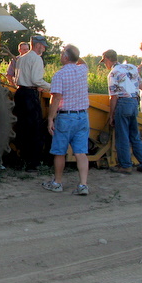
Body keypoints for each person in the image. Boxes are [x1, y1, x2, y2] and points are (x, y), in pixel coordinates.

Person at [41, 44, 90, 195]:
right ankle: (83, 185)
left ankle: (57, 182)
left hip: (66, 117)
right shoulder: (83, 70)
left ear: (66, 57)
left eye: (63, 53)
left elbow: (56, 99)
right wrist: (73, 50)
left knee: (60, 152)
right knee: (81, 153)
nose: (61, 55)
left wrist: (50, 118)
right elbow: (83, 62)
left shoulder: (59, 75)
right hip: (82, 116)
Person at [101, 49, 142, 174]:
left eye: (104, 62)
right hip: (134, 102)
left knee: (122, 135)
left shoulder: (113, 73)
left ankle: (125, 165)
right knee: (134, 135)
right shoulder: (131, 67)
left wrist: (111, 115)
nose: (105, 65)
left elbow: (113, 97)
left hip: (123, 104)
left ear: (107, 59)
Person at [13, 35, 51, 171]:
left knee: (21, 128)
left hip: (20, 93)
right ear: (37, 45)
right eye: (43, 46)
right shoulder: (36, 58)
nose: (44, 48)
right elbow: (36, 80)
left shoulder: (21, 58)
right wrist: (52, 87)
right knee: (34, 129)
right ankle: (32, 163)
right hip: (30, 94)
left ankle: (20, 159)